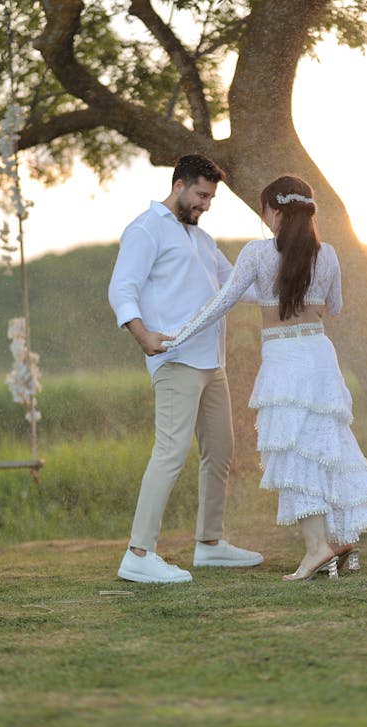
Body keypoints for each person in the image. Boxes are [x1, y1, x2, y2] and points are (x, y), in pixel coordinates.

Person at [163, 174, 367, 581]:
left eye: (265, 209)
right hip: (318, 355)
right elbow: (334, 306)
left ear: (276, 211)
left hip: (284, 359)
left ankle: (318, 548)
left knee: (295, 449)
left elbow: (222, 302)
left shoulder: (257, 254)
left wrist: (178, 336)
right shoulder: (328, 254)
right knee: (327, 443)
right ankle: (341, 538)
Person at [108, 154, 264, 584]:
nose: (206, 204)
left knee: (221, 447)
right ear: (179, 185)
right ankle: (138, 553)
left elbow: (237, 288)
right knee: (171, 451)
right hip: (174, 359)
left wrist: (287, 280)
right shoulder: (146, 229)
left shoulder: (203, 240)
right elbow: (122, 288)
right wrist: (142, 336)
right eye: (201, 195)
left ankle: (210, 545)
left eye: (211, 198)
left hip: (212, 362)